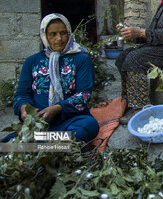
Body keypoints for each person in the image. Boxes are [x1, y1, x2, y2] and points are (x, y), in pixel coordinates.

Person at [9, 13, 99, 143]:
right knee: (6, 145)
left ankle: (38, 144)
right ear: (44, 36)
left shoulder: (81, 59)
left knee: (89, 126)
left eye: (63, 33)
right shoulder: (32, 61)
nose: (59, 39)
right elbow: (21, 95)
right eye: (53, 34)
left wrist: (57, 108)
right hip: (39, 122)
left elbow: (83, 94)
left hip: (71, 119)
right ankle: (54, 145)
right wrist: (24, 110)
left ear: (69, 33)